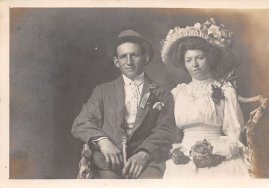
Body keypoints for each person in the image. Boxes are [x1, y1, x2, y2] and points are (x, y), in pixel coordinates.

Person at [71, 30, 176, 179]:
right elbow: (81, 123)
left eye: (134, 55)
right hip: (107, 163)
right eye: (123, 57)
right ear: (116, 62)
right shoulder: (102, 91)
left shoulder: (162, 93)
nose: (129, 62)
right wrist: (103, 142)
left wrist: (144, 153)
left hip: (146, 162)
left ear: (145, 58)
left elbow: (165, 130)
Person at [160, 18, 250, 178]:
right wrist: (178, 152)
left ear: (210, 58)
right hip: (184, 154)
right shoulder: (178, 92)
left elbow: (233, 132)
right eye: (189, 60)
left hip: (217, 152)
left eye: (199, 58)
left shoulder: (224, 90)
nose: (194, 64)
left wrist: (217, 154)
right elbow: (169, 131)